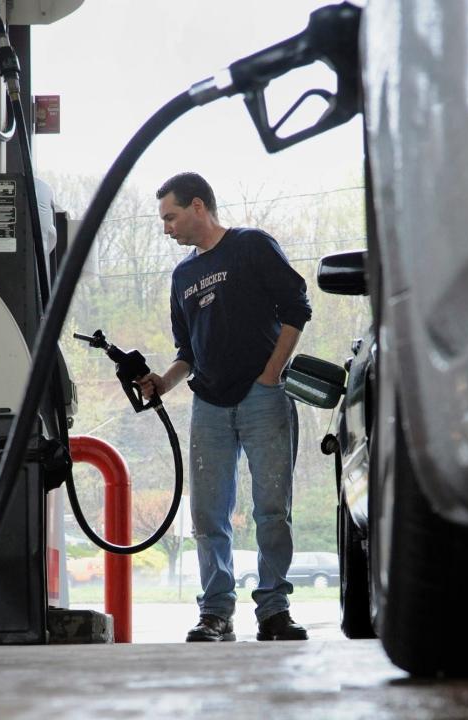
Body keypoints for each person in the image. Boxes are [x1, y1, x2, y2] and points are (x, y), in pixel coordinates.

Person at [138, 172, 312, 642]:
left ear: (198, 206)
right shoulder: (182, 276)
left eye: (170, 217)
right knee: (208, 516)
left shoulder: (251, 245)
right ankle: (216, 612)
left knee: (272, 508)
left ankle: (274, 610)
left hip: (263, 397)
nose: (166, 227)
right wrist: (162, 382)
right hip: (209, 404)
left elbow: (298, 307)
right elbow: (186, 352)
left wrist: (272, 373)